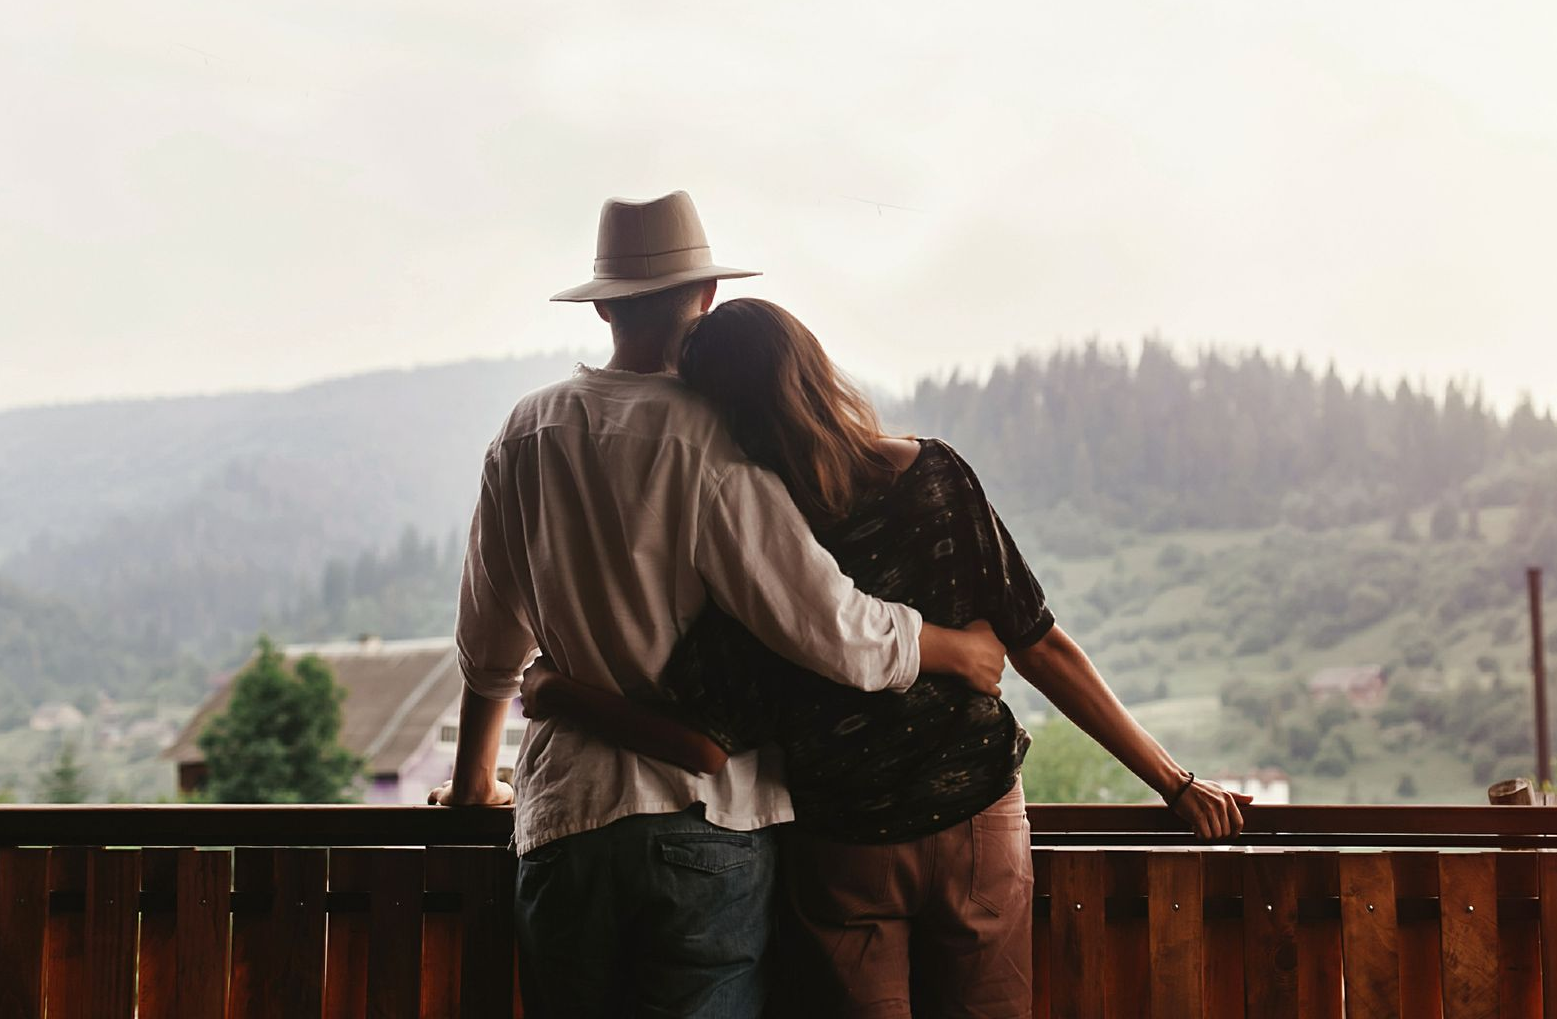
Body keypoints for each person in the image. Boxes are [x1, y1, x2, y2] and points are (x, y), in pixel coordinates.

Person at [524, 297, 1250, 1017]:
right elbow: (1040, 645)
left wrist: (556, 691)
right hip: (976, 819)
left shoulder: (758, 545)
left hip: (847, 848)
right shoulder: (933, 478)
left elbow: (702, 740)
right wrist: (1174, 783)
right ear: (811, 368)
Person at [426, 191, 1009, 1018]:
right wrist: (953, 647)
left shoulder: (525, 433)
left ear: (602, 306)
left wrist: (474, 785)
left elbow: (488, 649)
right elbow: (834, 631)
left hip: (564, 820)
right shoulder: (716, 439)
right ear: (702, 299)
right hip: (709, 818)